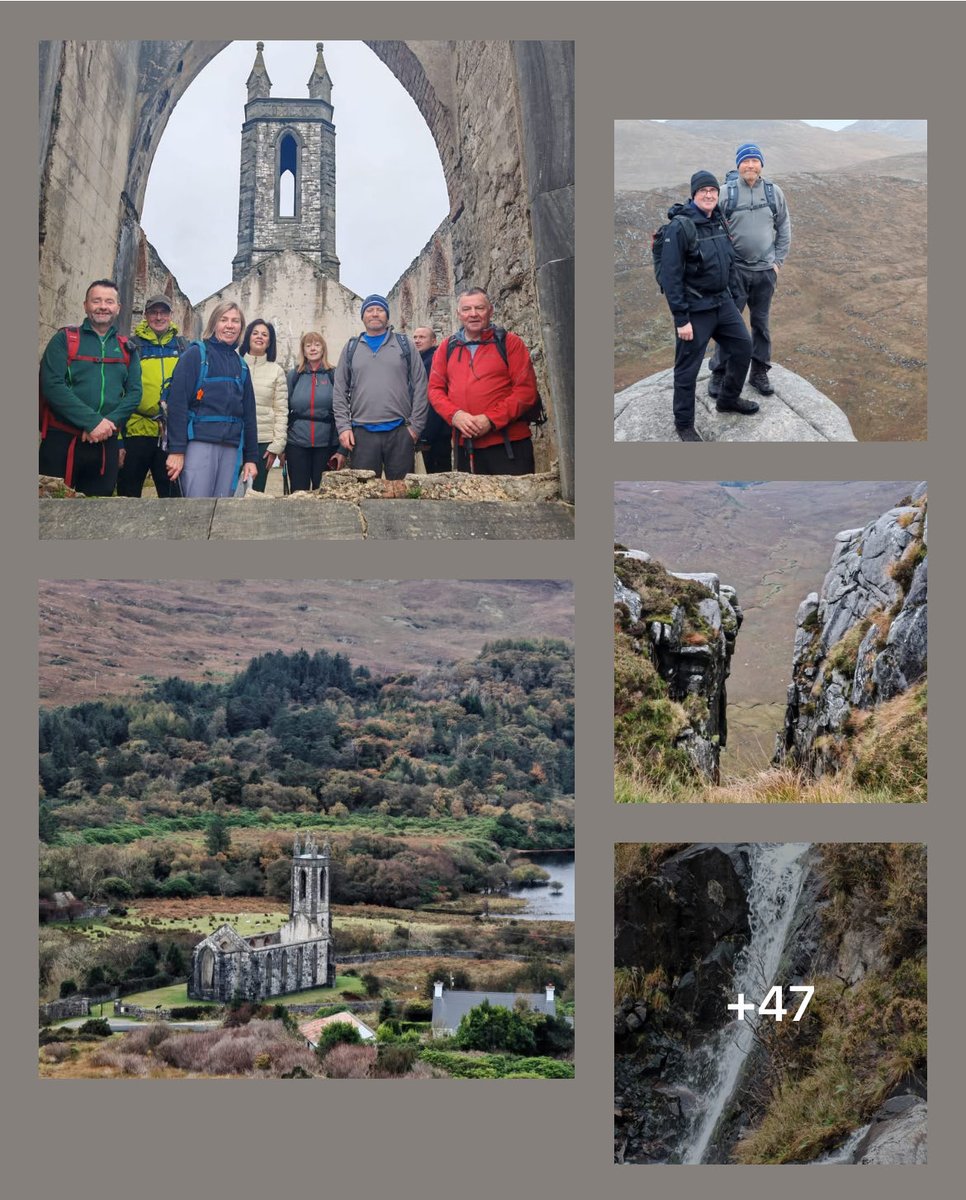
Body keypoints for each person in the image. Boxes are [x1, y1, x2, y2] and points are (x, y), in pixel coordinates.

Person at [659, 171, 755, 442]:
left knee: (743, 347)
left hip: (721, 302)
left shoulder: (718, 219)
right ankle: (684, 424)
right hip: (695, 308)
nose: (710, 195)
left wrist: (734, 297)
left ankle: (728, 399)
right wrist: (681, 319)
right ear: (694, 194)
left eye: (713, 190)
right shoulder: (681, 227)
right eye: (704, 191)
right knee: (687, 368)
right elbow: (671, 275)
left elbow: (728, 261)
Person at [39, 279, 142, 495]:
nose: (103, 306)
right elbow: (52, 385)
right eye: (96, 301)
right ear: (86, 305)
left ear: (118, 308)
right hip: (62, 442)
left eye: (109, 301)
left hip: (106, 444)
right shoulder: (64, 340)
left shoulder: (127, 349)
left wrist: (106, 426)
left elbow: (134, 393)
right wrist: (91, 422)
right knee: (50, 511)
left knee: (97, 512)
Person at [709, 142, 791, 398]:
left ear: (761, 165)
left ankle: (759, 372)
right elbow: (711, 229)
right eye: (745, 161)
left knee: (761, 324)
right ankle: (720, 372)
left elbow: (784, 227)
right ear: (738, 165)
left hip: (765, 271)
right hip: (735, 272)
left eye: (755, 160)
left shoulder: (773, 192)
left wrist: (777, 263)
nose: (750, 165)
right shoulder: (726, 192)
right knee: (727, 325)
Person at [427, 287, 538, 474]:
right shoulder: (447, 347)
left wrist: (491, 420)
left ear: (490, 311)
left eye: (479, 308)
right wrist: (455, 415)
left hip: (508, 444)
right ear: (459, 314)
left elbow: (525, 391)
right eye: (467, 309)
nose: (473, 314)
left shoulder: (510, 343)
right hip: (465, 445)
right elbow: (435, 390)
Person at [165, 301, 258, 497]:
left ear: (241, 327)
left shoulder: (241, 366)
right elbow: (177, 404)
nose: (230, 325)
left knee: (223, 511)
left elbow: (249, 415)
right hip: (199, 443)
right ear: (214, 323)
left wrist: (250, 458)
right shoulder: (195, 355)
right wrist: (177, 450)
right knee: (196, 511)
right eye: (224, 320)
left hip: (231, 449)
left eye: (235, 321)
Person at [332, 294, 428, 480]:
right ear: (363, 316)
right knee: (365, 494)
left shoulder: (404, 344)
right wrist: (344, 428)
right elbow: (339, 391)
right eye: (369, 310)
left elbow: (421, 385)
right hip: (362, 434)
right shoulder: (351, 348)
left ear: (387, 315)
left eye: (380, 310)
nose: (375, 314)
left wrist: (416, 427)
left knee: (402, 494)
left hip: (400, 432)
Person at [117, 294, 186, 497]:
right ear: (146, 315)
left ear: (170, 315)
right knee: (128, 497)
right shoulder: (131, 346)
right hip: (136, 431)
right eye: (154, 312)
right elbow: (119, 393)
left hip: (169, 434)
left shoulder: (183, 347)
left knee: (172, 498)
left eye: (163, 312)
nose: (158, 317)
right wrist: (119, 439)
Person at [286, 331, 346, 492]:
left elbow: (345, 411)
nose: (313, 348)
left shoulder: (334, 374)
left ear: (323, 349)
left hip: (327, 444)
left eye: (317, 344)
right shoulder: (294, 376)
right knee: (299, 493)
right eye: (308, 345)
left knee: (325, 493)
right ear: (303, 350)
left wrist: (342, 450)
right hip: (297, 443)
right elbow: (283, 409)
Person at [240, 318, 288, 493]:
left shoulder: (276, 371)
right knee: (228, 495)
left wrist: (277, 446)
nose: (259, 337)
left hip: (263, 443)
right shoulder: (236, 364)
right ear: (247, 337)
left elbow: (281, 411)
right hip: (234, 439)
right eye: (255, 333)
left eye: (264, 334)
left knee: (254, 494)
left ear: (269, 342)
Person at [412, 326, 451, 472]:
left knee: (437, 473)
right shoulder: (419, 361)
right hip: (428, 429)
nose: (417, 340)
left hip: (436, 431)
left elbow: (433, 399)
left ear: (434, 341)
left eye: (422, 337)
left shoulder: (434, 361)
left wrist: (426, 434)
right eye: (415, 337)